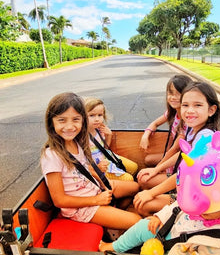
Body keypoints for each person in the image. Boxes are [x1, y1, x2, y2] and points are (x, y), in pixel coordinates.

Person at [99, 131, 220, 255]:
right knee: (142, 227)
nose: (199, 212)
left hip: (176, 252)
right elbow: (178, 205)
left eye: (207, 211)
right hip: (170, 227)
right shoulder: (200, 198)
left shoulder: (219, 241)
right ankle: (114, 247)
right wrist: (161, 216)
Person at [40, 92, 140, 231]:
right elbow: (59, 200)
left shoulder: (78, 142)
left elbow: (88, 170)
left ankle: (112, 219)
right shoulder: (52, 155)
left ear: (83, 121)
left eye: (75, 119)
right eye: (62, 120)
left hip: (94, 188)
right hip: (80, 207)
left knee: (135, 187)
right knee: (138, 221)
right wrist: (97, 200)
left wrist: (103, 183)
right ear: (51, 122)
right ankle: (110, 223)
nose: (69, 126)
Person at [134, 81, 220, 217]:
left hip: (197, 198)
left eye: (197, 105)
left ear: (211, 110)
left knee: (143, 204)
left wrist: (151, 193)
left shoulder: (205, 138)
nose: (190, 110)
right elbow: (182, 155)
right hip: (187, 187)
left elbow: (185, 174)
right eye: (185, 105)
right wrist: (156, 170)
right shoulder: (194, 130)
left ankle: (167, 231)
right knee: (145, 181)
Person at [139, 74, 192, 166]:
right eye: (170, 93)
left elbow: (175, 149)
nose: (173, 97)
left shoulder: (188, 120)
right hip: (173, 155)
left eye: (178, 93)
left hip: (183, 160)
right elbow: (155, 123)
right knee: (148, 160)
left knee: (145, 179)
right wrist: (146, 135)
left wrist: (157, 169)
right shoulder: (172, 113)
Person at [85, 97, 138, 181]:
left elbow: (104, 149)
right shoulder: (82, 137)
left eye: (100, 115)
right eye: (91, 115)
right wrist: (96, 168)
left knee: (134, 167)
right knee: (129, 179)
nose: (97, 119)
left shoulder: (99, 129)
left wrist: (109, 135)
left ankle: (124, 186)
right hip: (98, 166)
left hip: (106, 158)